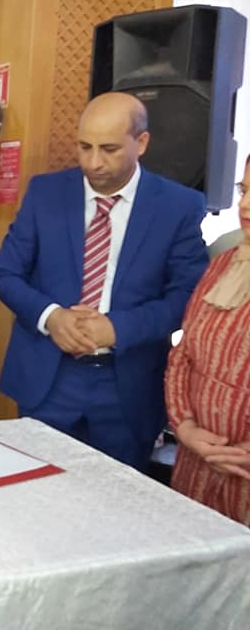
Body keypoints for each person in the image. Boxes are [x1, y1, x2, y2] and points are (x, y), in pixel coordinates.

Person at [0, 92, 208, 471]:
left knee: (117, 498)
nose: (93, 163)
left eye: (109, 149)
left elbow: (188, 297)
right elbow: (5, 274)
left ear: (141, 142)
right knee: (34, 492)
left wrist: (118, 328)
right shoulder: (45, 193)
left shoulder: (178, 206)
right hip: (49, 378)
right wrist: (50, 317)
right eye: (84, 147)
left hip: (126, 387)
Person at [165, 156, 250, 525]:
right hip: (195, 465)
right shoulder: (221, 263)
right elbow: (183, 355)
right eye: (244, 191)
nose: (245, 205)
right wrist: (184, 427)